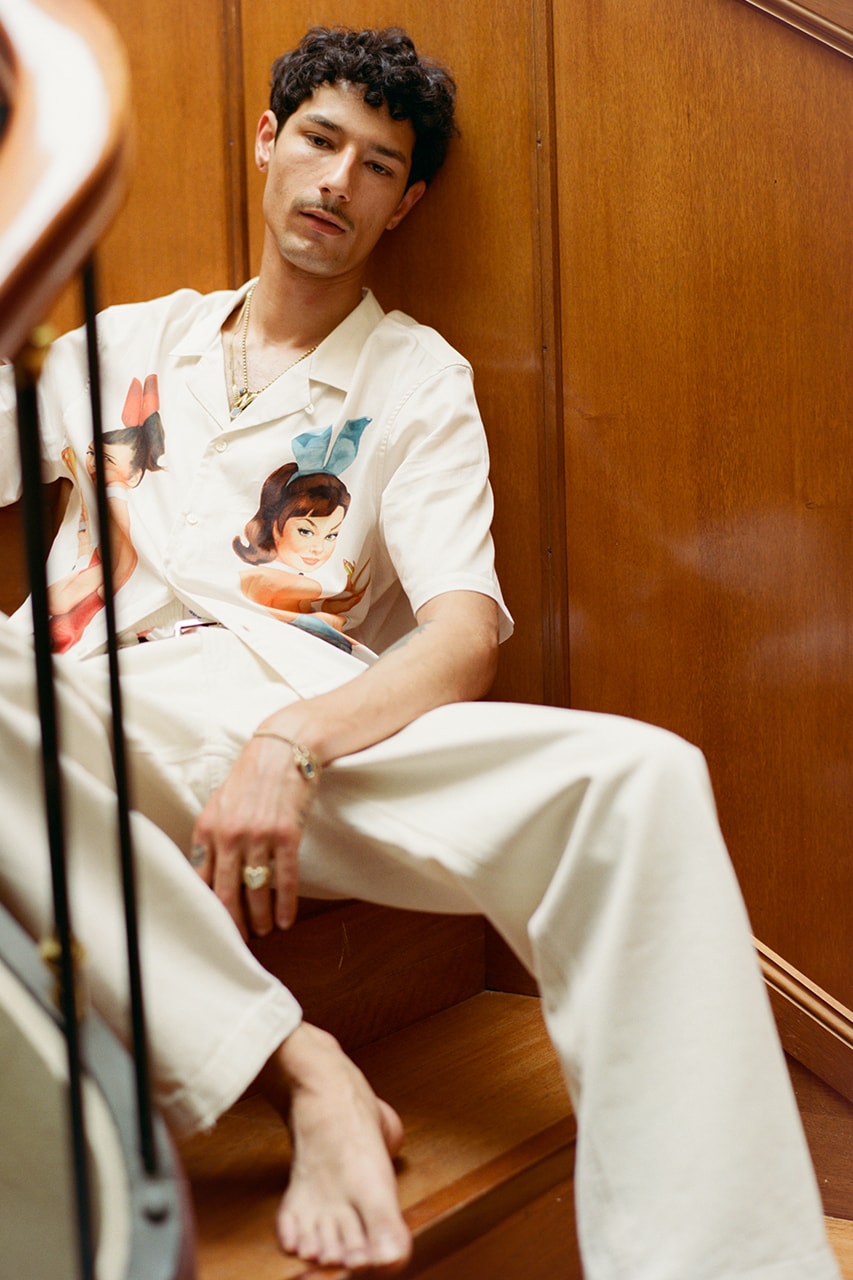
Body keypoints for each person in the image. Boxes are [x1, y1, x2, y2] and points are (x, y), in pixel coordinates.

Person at [0, 25, 841, 1280]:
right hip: (72, 711)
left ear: (406, 202)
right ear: (266, 142)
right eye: (320, 140)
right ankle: (301, 1066)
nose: (339, 181)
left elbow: (458, 630)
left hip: (307, 715)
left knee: (639, 779)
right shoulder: (119, 345)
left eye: (379, 165)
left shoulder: (413, 376)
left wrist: (292, 743)